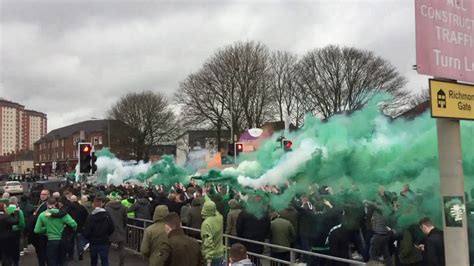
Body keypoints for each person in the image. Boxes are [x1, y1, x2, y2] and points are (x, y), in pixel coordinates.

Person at [34, 197, 78, 266]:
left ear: (47, 204)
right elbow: (74, 224)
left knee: (52, 261)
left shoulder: (42, 215)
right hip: (63, 240)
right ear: (56, 203)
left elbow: (37, 230)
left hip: (51, 241)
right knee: (63, 260)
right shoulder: (62, 214)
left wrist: (46, 229)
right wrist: (72, 231)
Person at [83, 197, 115, 266]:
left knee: (93, 261)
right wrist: (107, 234)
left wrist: (88, 238)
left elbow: (87, 230)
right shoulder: (107, 215)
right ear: (101, 204)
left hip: (93, 241)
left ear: (94, 204)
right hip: (104, 240)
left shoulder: (90, 216)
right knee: (105, 260)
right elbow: (112, 228)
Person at [201, 198, 226, 266]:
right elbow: (215, 210)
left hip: (212, 258)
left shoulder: (206, 224)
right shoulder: (220, 217)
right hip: (221, 254)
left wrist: (209, 260)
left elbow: (208, 241)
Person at [105, 192, 128, 266]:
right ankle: (121, 264)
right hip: (120, 229)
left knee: (106, 248)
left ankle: (105, 263)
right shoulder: (123, 207)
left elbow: (105, 219)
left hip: (109, 230)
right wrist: (123, 226)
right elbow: (125, 219)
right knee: (122, 249)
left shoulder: (107, 207)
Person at [30, 189, 50, 266]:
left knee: (42, 252)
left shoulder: (46, 205)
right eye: (41, 194)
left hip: (42, 232)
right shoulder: (42, 203)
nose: (42, 196)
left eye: (44, 194)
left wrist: (34, 215)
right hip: (41, 231)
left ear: (48, 195)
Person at [6, 196, 25, 266]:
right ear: (16, 202)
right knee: (16, 248)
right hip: (16, 232)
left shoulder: (6, 210)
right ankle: (16, 263)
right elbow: (22, 224)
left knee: (7, 248)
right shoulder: (19, 211)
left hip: (6, 232)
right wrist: (20, 229)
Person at [0, 202, 20, 266]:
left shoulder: (6, 216)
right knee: (7, 255)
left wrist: (11, 214)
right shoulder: (6, 217)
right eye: (5, 207)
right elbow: (15, 221)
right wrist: (16, 213)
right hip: (7, 238)